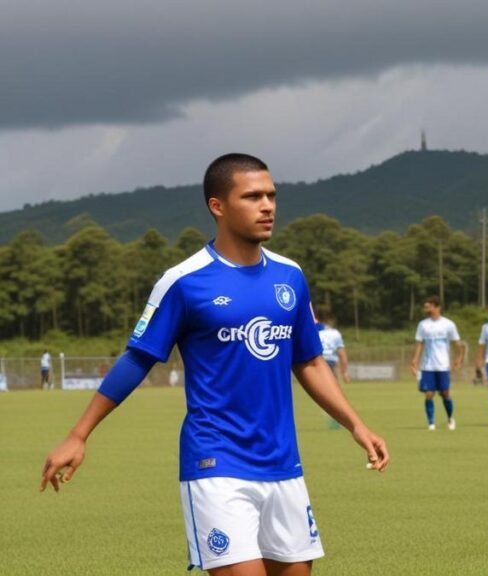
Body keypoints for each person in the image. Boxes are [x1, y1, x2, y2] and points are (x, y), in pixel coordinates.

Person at [39, 153, 389, 575]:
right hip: (216, 464)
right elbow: (138, 358)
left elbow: (310, 361)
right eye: (253, 196)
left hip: (284, 464)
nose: (268, 206)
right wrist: (79, 435)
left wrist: (357, 424)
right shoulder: (184, 280)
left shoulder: (290, 276)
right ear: (217, 206)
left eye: (271, 195)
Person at [410, 295, 464, 431]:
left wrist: (459, 358)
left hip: (443, 365)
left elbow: (457, 344)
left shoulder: (448, 324)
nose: (426, 308)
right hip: (427, 366)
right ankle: (431, 423)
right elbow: (419, 344)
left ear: (437, 307)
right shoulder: (423, 325)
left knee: (445, 393)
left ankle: (450, 418)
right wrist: (415, 360)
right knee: (429, 394)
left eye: (428, 306)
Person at [316, 309, 350, 386]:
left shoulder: (314, 332)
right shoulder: (335, 333)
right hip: (331, 362)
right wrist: (344, 372)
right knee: (333, 387)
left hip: (318, 361)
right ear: (330, 320)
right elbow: (342, 355)